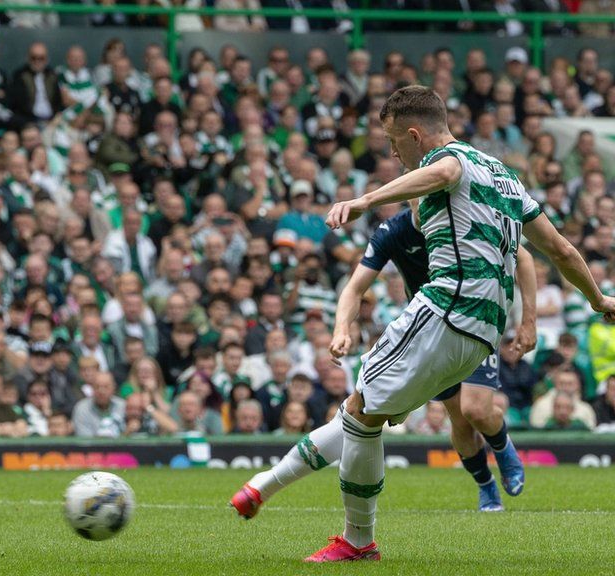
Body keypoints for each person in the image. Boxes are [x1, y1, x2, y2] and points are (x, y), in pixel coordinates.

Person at [231, 85, 615, 562]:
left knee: (359, 415)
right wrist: (598, 298)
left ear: (414, 134)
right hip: (481, 333)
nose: (394, 152)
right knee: (363, 409)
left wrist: (364, 200)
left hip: (445, 309)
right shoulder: (507, 176)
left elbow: (445, 169)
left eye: (395, 142)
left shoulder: (450, 161)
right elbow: (561, 250)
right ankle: (262, 488)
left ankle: (356, 541)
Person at [284, 205, 537, 512]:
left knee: (477, 410)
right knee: (458, 417)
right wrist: (341, 329)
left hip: (475, 321)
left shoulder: (464, 213)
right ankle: (485, 485)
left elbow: (522, 256)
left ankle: (503, 448)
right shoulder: (394, 231)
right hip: (431, 335)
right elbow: (354, 288)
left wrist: (528, 321)